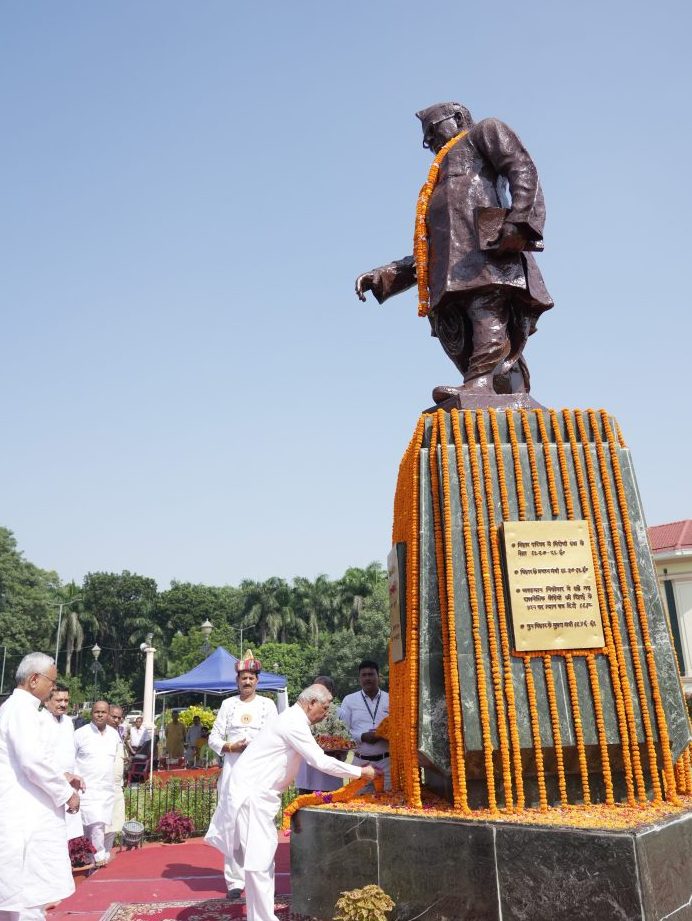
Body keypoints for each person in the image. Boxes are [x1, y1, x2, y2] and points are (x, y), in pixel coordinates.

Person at [355, 101, 553, 402]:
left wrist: (519, 221)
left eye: (433, 131)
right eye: (426, 139)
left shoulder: (483, 133)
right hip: (448, 277)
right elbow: (429, 249)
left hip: (487, 257)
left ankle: (480, 382)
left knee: (486, 313)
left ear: (458, 118)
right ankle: (502, 388)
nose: (430, 142)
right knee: (459, 334)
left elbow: (521, 167)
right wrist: (384, 276)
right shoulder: (436, 181)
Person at [206, 683, 376, 921]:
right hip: (252, 795)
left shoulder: (293, 719)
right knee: (259, 863)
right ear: (311, 703)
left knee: (261, 863)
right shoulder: (293, 723)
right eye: (325, 707)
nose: (326, 713)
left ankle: (260, 917)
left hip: (256, 795)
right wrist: (362, 772)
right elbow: (320, 761)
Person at [0, 652, 81, 921]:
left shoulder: (17, 708)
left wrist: (62, 777)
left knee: (19, 898)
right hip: (25, 817)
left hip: (23, 813)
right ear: (34, 679)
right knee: (28, 897)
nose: (53, 688)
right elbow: (33, 761)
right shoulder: (21, 709)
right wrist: (66, 793)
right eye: (51, 681)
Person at [208, 650, 278, 899]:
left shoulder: (268, 705)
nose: (247, 682)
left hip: (259, 774)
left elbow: (275, 737)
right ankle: (235, 882)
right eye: (243, 678)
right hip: (233, 772)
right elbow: (213, 737)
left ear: (257, 681)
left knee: (260, 827)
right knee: (233, 827)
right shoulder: (228, 705)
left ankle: (261, 880)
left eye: (251, 678)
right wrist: (230, 747)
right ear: (237, 681)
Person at [73, 700, 120, 865]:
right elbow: (70, 760)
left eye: (103, 712)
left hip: (105, 789)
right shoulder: (80, 734)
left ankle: (95, 856)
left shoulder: (114, 735)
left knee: (98, 824)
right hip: (86, 789)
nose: (100, 715)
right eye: (96, 712)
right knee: (89, 825)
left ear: (108, 714)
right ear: (91, 713)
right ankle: (91, 856)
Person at [39, 683, 83, 842]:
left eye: (66, 700)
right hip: (46, 786)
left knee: (68, 837)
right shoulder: (39, 721)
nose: (63, 704)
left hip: (69, 785)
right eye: (58, 700)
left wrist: (76, 777)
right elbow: (38, 758)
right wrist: (61, 775)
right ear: (46, 701)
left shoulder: (68, 722)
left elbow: (71, 755)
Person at [339, 660, 390, 790]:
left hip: (387, 762)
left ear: (379, 677)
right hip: (360, 762)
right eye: (364, 675)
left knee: (389, 802)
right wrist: (362, 736)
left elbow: (398, 727)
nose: (368, 678)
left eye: (371, 674)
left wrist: (384, 734)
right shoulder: (349, 700)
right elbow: (343, 732)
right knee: (359, 804)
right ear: (359, 679)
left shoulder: (391, 699)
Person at [295, 675, 345, 796]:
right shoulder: (303, 711)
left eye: (323, 689)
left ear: (331, 692)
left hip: (329, 776)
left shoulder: (339, 712)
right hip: (307, 774)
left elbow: (345, 742)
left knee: (329, 810)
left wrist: (334, 748)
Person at [104, 705, 126, 856]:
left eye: (119, 718)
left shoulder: (117, 734)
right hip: (103, 786)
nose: (116, 720)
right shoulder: (100, 733)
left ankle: (106, 852)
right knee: (101, 825)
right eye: (114, 717)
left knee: (114, 824)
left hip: (117, 786)